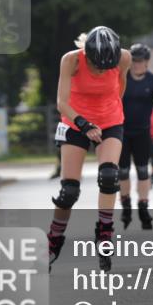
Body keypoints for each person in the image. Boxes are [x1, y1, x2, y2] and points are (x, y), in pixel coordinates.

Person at [47, 26, 131, 272]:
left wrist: (108, 114)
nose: (101, 71)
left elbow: (120, 89)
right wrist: (83, 123)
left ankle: (105, 233)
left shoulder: (124, 58)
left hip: (110, 121)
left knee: (109, 176)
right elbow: (61, 102)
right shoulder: (71, 60)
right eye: (96, 67)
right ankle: (53, 241)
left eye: (106, 67)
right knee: (69, 192)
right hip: (75, 121)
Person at [118, 43, 153, 230]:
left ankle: (143, 207)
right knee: (122, 172)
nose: (136, 64)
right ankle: (125, 206)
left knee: (142, 171)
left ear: (147, 62)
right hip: (121, 131)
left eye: (140, 61)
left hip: (142, 132)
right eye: (134, 61)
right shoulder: (122, 78)